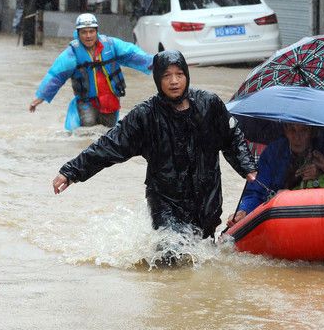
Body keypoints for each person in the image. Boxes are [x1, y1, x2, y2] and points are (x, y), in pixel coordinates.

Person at [51, 50, 257, 239]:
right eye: (167, 76)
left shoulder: (209, 104)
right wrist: (71, 171)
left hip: (207, 197)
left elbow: (232, 137)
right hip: (165, 200)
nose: (174, 81)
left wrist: (247, 167)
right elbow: (109, 145)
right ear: (158, 80)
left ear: (187, 75)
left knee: (202, 253)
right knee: (170, 252)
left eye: (179, 74)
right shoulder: (145, 115)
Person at [29, 13, 153, 130]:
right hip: (87, 103)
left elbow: (132, 54)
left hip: (111, 103)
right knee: (87, 133)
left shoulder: (111, 45)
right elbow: (56, 76)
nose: (88, 36)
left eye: (91, 31)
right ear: (78, 33)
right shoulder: (72, 54)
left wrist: (154, 63)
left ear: (96, 32)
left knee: (108, 136)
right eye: (84, 32)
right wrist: (41, 97)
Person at [227, 123, 324, 225]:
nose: (297, 137)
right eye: (292, 130)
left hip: (316, 214)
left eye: (304, 130)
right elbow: (256, 191)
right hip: (278, 214)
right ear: (285, 130)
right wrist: (244, 211)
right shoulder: (273, 152)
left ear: (312, 132)